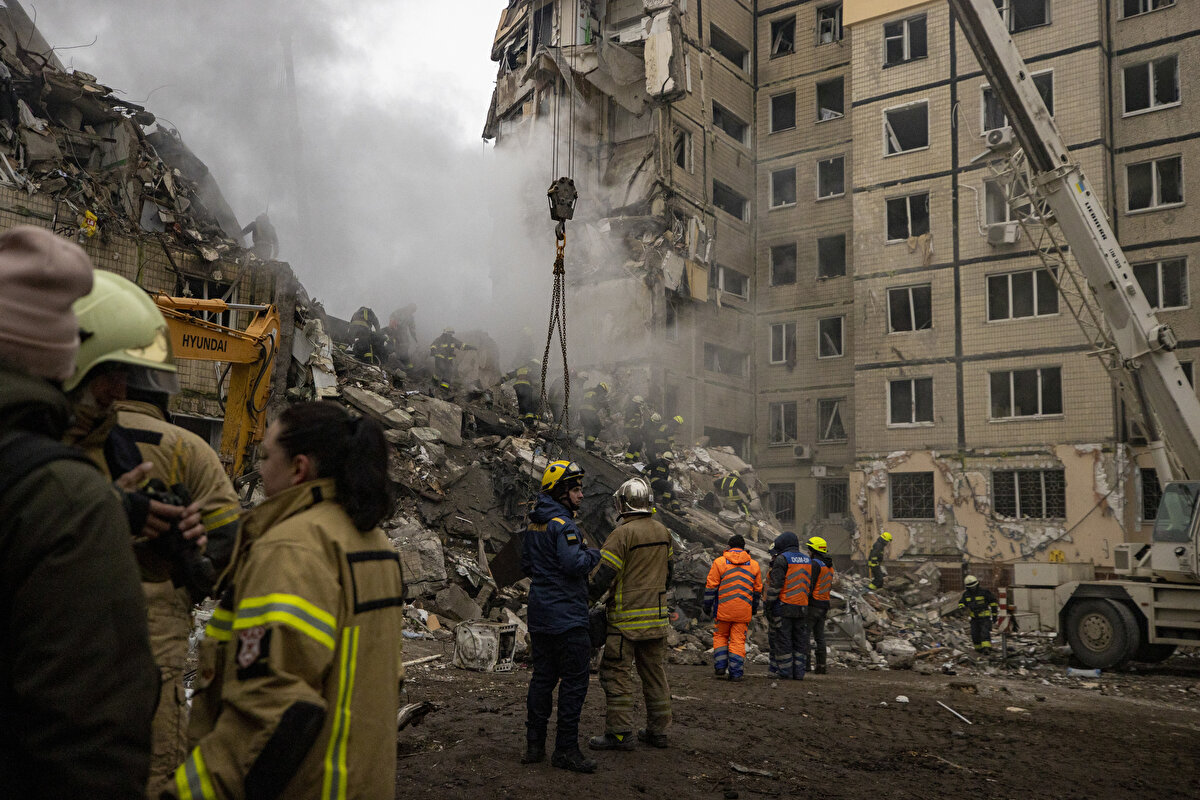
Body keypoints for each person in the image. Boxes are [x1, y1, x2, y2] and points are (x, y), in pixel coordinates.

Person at [62, 270, 243, 793]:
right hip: (157, 630)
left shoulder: (83, 439)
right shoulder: (191, 449)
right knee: (155, 763)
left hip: (75, 634)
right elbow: (227, 540)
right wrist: (189, 577)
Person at [167, 401, 404, 799]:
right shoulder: (373, 542)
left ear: (299, 468)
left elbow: (269, 709)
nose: (259, 469)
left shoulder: (292, 548)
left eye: (265, 456)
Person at [0, 225, 158, 797]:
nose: (118, 391)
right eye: (109, 374)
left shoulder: (92, 470)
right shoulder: (66, 501)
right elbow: (92, 738)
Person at [520, 460, 602, 773]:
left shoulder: (534, 524)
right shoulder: (564, 525)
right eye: (576, 489)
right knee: (574, 683)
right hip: (568, 619)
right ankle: (566, 749)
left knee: (542, 679)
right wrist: (593, 554)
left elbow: (526, 565)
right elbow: (573, 564)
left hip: (540, 617)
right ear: (561, 492)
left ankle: (534, 746)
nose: (581, 495)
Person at [588, 477, 674, 751]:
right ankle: (659, 731)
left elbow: (603, 575)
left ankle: (620, 734)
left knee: (617, 674)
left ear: (623, 504)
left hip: (625, 622)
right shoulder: (663, 531)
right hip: (657, 621)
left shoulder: (622, 534)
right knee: (655, 675)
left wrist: (586, 599)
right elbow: (669, 574)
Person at [704, 534, 762, 681]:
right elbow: (757, 591)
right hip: (743, 611)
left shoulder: (719, 562)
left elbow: (711, 586)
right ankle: (736, 673)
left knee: (721, 636)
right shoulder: (754, 565)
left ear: (729, 547)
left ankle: (720, 667)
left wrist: (707, 606)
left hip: (723, 610)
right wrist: (754, 608)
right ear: (744, 548)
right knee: (738, 641)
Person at [764, 531, 811, 680]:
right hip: (802, 606)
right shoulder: (807, 559)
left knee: (783, 640)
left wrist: (768, 605)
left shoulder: (782, 559)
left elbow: (776, 586)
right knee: (799, 641)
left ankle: (785, 672)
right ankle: (799, 673)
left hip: (784, 606)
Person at [805, 536, 834, 675]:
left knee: (804, 635)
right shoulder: (829, 566)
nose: (808, 552)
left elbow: (809, 585)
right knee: (819, 637)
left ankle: (805, 665)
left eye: (809, 549)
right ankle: (821, 666)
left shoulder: (815, 564)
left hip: (813, 605)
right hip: (823, 605)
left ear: (814, 550)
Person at [957, 575, 1000, 654]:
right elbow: (961, 602)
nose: (972, 588)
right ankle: (978, 649)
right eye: (970, 587)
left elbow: (993, 602)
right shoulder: (966, 594)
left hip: (985, 618)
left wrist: (994, 615)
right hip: (974, 619)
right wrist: (962, 607)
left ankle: (986, 648)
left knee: (984, 633)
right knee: (975, 634)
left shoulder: (984, 592)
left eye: (973, 586)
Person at [507, 357, 541, 427]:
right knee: (528, 403)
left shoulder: (521, 368)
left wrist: (501, 380)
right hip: (526, 386)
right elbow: (535, 380)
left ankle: (521, 419)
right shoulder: (532, 370)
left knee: (521, 402)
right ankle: (529, 421)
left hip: (517, 387)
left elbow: (510, 375)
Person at [646, 450, 683, 514]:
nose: (668, 463)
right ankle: (665, 503)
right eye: (667, 461)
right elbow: (646, 468)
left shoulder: (667, 469)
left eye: (669, 462)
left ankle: (676, 509)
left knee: (673, 493)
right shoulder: (657, 462)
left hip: (662, 484)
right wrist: (640, 475)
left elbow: (665, 480)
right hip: (655, 482)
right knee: (668, 485)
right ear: (663, 459)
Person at [430, 327, 463, 394]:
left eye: (451, 333)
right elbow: (433, 345)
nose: (450, 335)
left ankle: (444, 388)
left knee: (448, 372)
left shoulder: (453, 340)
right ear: (445, 332)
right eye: (449, 333)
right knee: (439, 371)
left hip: (449, 361)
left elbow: (462, 345)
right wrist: (433, 351)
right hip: (440, 359)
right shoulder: (439, 339)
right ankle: (434, 383)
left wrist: (472, 347)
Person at [578, 380, 609, 451]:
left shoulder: (590, 391)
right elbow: (603, 403)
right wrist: (608, 411)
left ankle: (587, 445)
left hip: (582, 412)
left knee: (587, 428)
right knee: (598, 427)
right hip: (590, 412)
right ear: (603, 389)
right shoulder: (599, 392)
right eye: (604, 392)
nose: (604, 394)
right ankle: (590, 444)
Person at [387, 303, 418, 370]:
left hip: (402, 333)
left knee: (404, 348)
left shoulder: (410, 317)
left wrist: (414, 338)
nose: (412, 312)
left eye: (413, 311)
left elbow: (412, 328)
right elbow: (392, 317)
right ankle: (389, 361)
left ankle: (406, 366)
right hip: (395, 331)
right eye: (412, 310)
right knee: (392, 345)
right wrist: (393, 325)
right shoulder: (400, 311)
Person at [623, 395, 647, 462]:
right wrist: (635, 427)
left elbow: (639, 420)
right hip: (630, 429)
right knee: (634, 442)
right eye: (639, 404)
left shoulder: (638, 410)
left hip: (636, 429)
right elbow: (630, 419)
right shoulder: (630, 409)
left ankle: (635, 458)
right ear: (635, 403)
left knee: (640, 443)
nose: (640, 405)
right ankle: (628, 459)